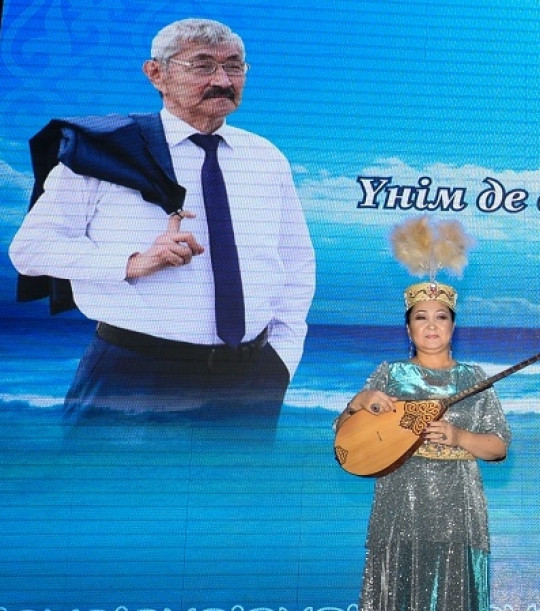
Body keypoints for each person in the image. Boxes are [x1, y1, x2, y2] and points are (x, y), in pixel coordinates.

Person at [8, 18, 315, 433]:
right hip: (133, 376)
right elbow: (30, 249)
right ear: (156, 73)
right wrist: (133, 261)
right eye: (203, 65)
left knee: (236, 481)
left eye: (234, 66)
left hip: (248, 382)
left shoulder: (265, 158)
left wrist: (280, 359)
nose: (223, 80)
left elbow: (295, 263)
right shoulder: (105, 153)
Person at [336, 280, 511, 611]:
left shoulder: (475, 378)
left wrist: (459, 436)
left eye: (441, 317)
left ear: (453, 325)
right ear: (408, 327)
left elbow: (499, 446)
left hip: (459, 513)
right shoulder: (390, 374)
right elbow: (345, 436)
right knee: (396, 607)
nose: (431, 325)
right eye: (421, 317)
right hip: (400, 508)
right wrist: (360, 401)